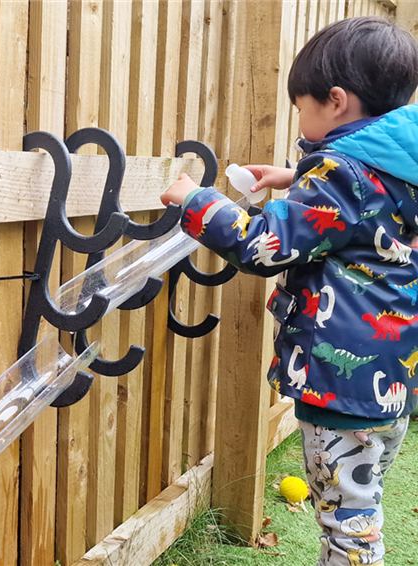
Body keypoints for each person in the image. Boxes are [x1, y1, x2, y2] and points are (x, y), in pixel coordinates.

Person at [160, 16, 418, 566]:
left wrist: (196, 201)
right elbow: (365, 219)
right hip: (393, 384)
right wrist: (295, 178)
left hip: (343, 396)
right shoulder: (401, 168)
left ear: (336, 100)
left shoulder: (340, 173)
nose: (300, 118)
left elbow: (262, 243)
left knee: (348, 525)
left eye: (301, 107)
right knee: (359, 503)